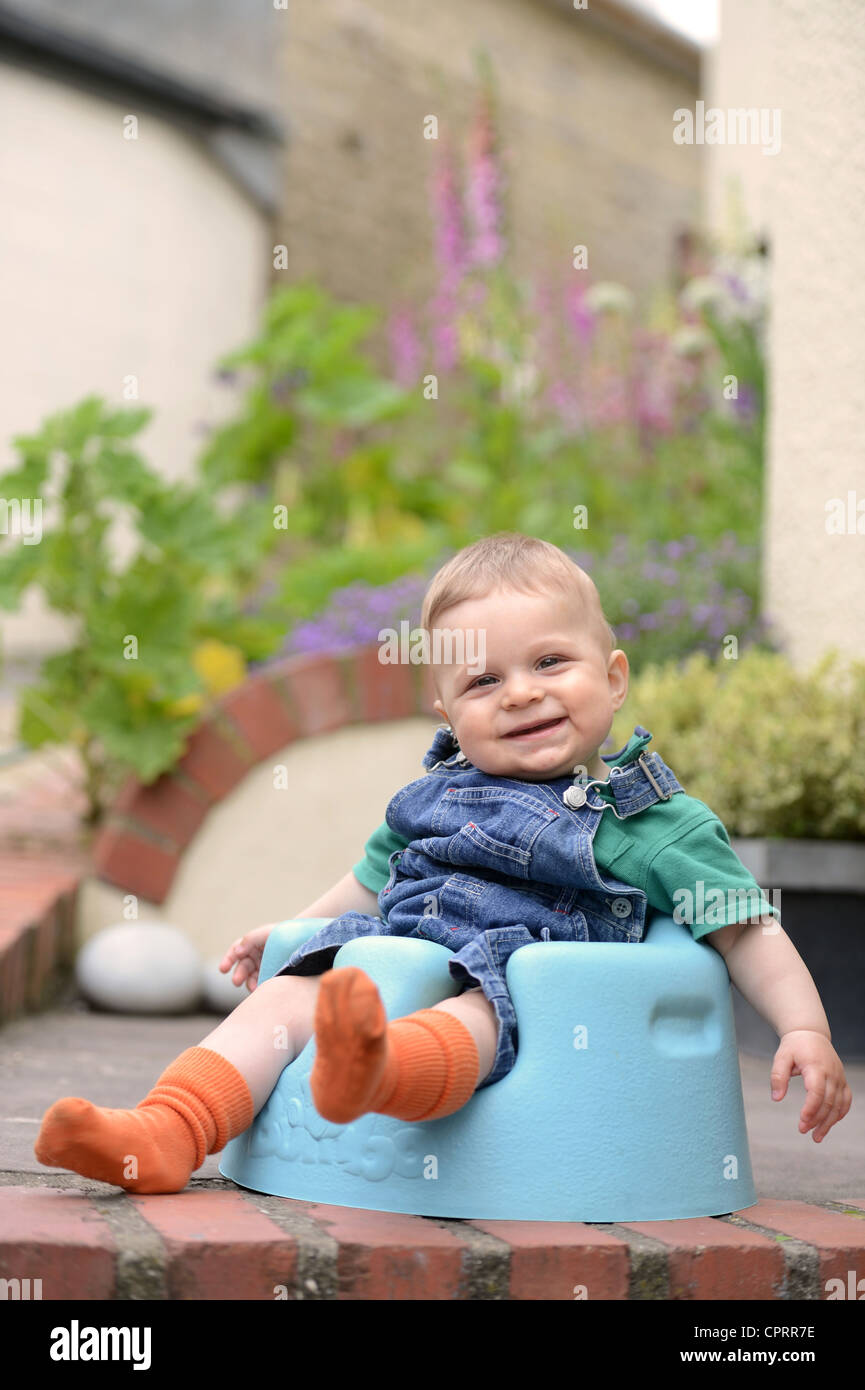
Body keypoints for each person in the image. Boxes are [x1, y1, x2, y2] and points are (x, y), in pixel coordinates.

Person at [34, 533, 852, 1193]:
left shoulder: (652, 823)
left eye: (548, 664)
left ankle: (377, 1069)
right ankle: (167, 1130)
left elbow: (744, 930)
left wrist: (804, 1029)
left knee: (484, 1007)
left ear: (612, 679)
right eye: (483, 681)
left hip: (525, 983)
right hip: (404, 953)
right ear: (449, 715)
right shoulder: (433, 795)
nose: (520, 694)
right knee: (286, 995)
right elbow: (369, 882)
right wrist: (291, 929)